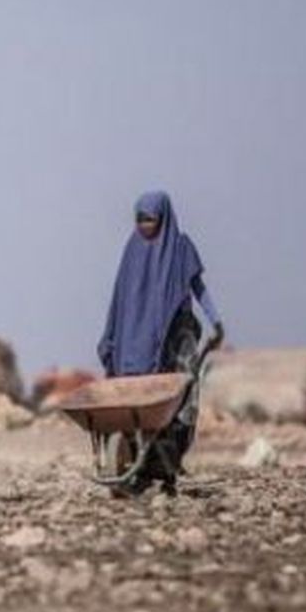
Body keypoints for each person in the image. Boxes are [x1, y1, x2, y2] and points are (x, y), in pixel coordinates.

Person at [96, 190, 225, 478]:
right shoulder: (132, 249)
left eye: (150, 219)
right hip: (134, 343)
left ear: (164, 218)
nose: (144, 225)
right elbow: (119, 299)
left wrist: (216, 321)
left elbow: (198, 288)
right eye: (139, 220)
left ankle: (170, 460)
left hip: (175, 339)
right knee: (135, 398)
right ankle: (138, 455)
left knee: (181, 400)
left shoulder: (180, 248)